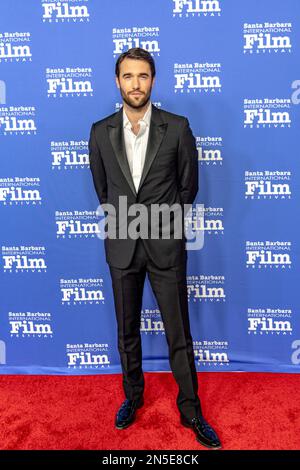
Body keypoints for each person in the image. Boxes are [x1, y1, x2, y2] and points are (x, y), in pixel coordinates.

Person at [88, 47, 221, 450]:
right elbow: (103, 189)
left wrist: (164, 224)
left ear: (153, 80)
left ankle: (191, 409)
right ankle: (133, 397)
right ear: (117, 81)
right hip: (122, 244)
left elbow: (188, 187)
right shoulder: (99, 131)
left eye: (143, 76)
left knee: (178, 332)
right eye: (128, 76)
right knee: (126, 330)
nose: (135, 84)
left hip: (165, 245)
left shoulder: (177, 127)